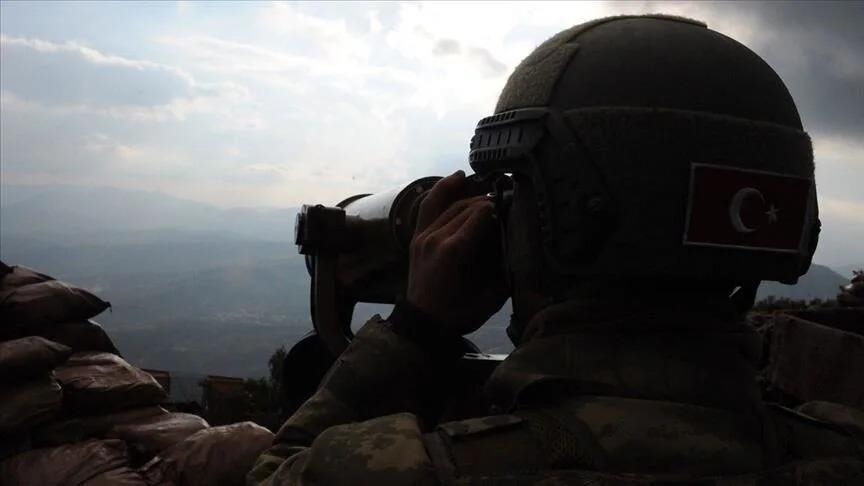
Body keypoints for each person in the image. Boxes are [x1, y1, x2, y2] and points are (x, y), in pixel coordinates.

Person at [248, 15, 864, 485]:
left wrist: (418, 328)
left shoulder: (424, 469)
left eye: (507, 194)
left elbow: (274, 471)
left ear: (545, 224)